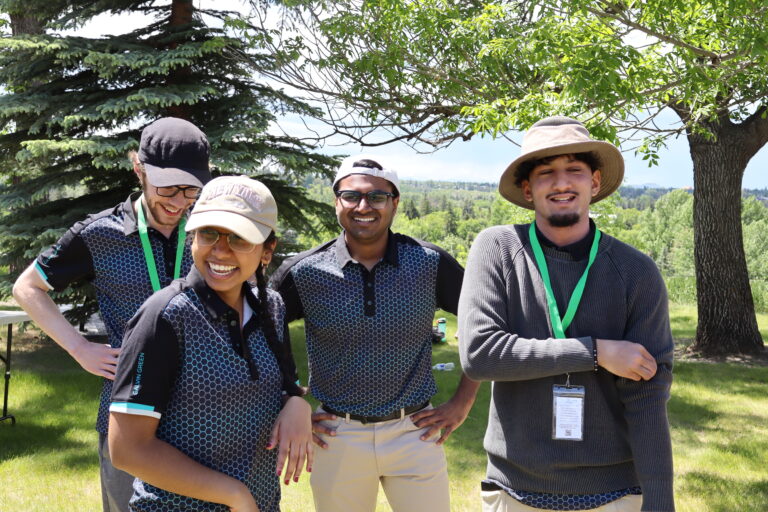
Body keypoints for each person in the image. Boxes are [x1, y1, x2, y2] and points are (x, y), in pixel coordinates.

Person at [458, 116, 675, 512]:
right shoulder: (497, 249)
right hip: (514, 490)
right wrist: (595, 353)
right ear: (527, 189)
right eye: (546, 173)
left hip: (615, 493)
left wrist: (660, 499)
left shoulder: (636, 271)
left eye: (574, 170)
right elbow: (479, 355)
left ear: (593, 182)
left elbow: (648, 395)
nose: (561, 183)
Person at [12, 117, 212, 512]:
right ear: (139, 169)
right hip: (128, 416)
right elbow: (27, 287)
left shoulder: (210, 230)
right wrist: (79, 348)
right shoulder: (99, 234)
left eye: (190, 188)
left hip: (204, 412)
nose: (178, 200)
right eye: (167, 187)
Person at [271, 155, 481, 512]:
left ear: (395, 203)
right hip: (335, 436)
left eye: (377, 197)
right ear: (336, 201)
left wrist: (463, 402)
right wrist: (288, 401)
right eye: (351, 196)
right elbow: (262, 336)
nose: (363, 206)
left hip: (415, 431)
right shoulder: (304, 272)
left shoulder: (428, 262)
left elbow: (485, 324)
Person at [108, 176, 313, 512]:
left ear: (267, 250)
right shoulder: (165, 316)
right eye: (208, 234)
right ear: (192, 238)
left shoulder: (270, 306)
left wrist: (297, 404)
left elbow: (284, 386)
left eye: (239, 238)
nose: (220, 249)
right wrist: (232, 494)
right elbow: (128, 449)